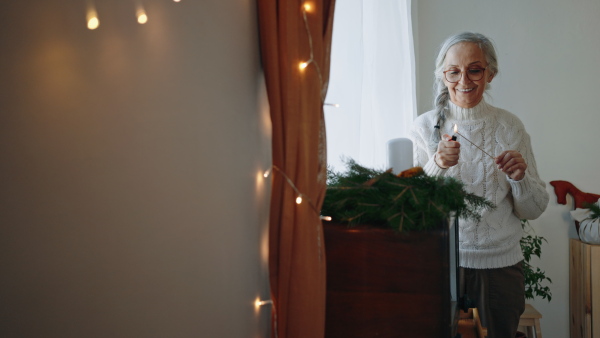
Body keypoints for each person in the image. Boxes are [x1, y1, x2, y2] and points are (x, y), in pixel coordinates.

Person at [410, 32, 549, 338]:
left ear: (491, 73)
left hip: (501, 268)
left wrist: (520, 178)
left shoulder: (510, 127)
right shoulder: (424, 127)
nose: (464, 80)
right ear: (443, 75)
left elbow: (534, 209)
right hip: (440, 264)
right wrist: (438, 164)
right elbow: (413, 207)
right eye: (454, 71)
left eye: (475, 69)